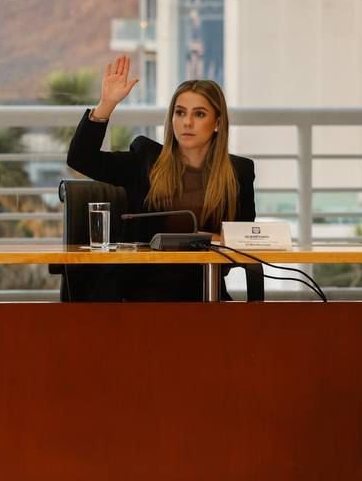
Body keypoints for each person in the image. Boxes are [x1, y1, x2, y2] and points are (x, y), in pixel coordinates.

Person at [66, 55, 256, 301]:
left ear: (217, 123)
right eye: (180, 113)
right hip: (137, 293)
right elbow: (81, 159)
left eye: (199, 114)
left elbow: (244, 241)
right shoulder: (146, 159)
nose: (187, 122)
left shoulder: (239, 172)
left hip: (204, 291)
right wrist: (106, 105)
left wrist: (221, 241)